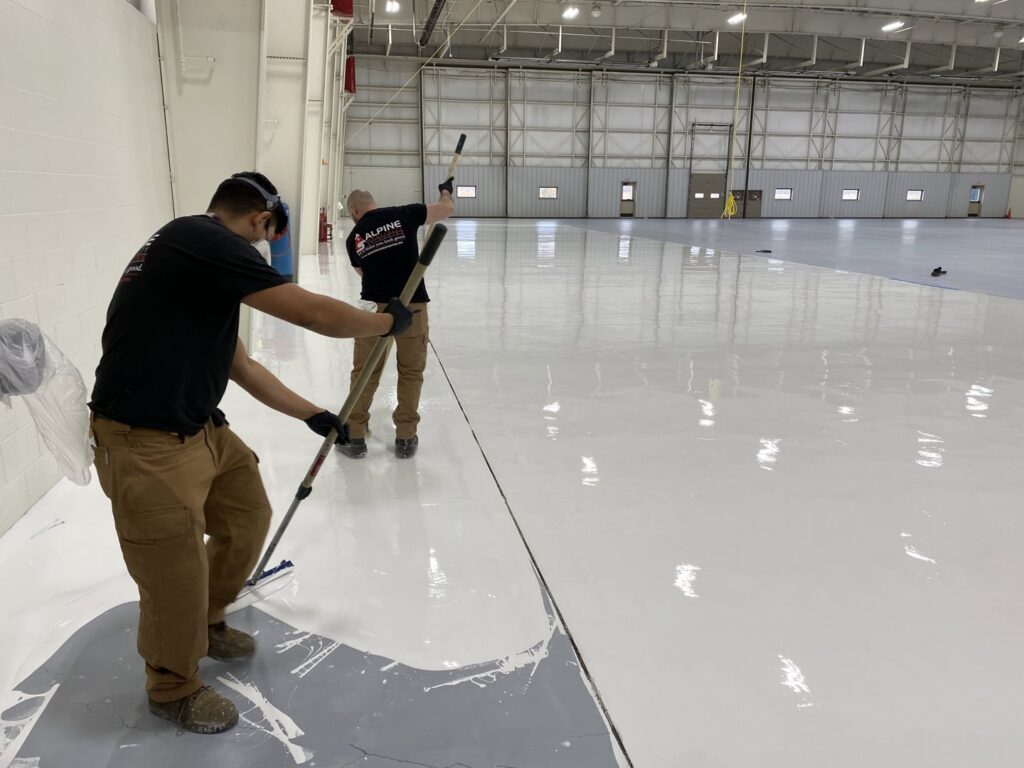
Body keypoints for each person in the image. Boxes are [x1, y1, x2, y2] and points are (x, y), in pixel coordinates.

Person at [88, 172, 413, 735]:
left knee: (246, 516)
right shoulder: (206, 241)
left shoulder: (196, 260)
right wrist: (386, 322)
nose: (264, 252)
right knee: (174, 572)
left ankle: (208, 620)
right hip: (144, 442)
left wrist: (311, 412)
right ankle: (173, 687)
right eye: (266, 240)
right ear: (260, 221)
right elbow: (310, 312)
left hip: (200, 429)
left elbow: (240, 364)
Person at [339, 178, 454, 459]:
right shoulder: (404, 214)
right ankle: (405, 437)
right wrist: (445, 190)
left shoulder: (354, 238)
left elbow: (362, 273)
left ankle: (354, 436)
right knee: (411, 372)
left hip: (372, 310)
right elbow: (445, 210)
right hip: (412, 306)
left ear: (354, 208)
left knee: (365, 372)